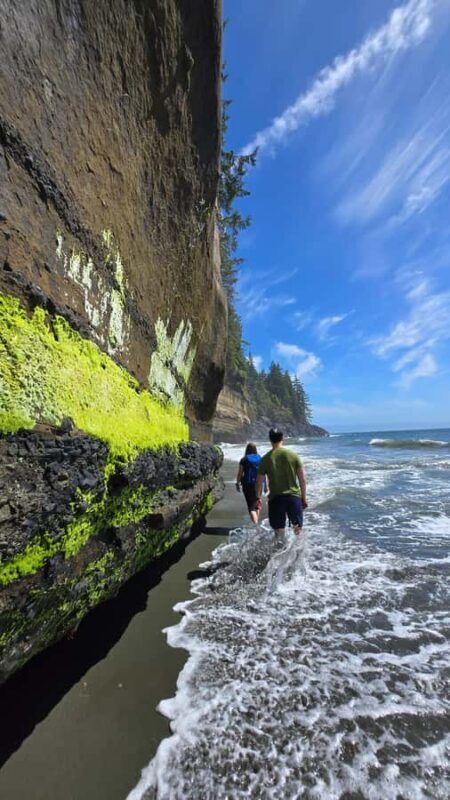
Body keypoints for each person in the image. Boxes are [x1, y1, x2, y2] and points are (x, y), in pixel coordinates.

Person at [255, 428, 307, 537]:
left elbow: (258, 481)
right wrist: (304, 498)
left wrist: (257, 498)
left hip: (276, 499)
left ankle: (279, 552)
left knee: (279, 533)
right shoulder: (293, 455)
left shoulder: (265, 459)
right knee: (298, 531)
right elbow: (302, 479)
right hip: (293, 497)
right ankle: (299, 553)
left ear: (270, 439)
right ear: (282, 438)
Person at [236, 443, 263, 524]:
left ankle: (255, 524)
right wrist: (266, 485)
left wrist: (237, 483)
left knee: (251, 506)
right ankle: (256, 522)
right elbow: (263, 473)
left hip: (247, 485)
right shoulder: (260, 458)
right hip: (259, 483)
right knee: (257, 503)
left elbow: (240, 473)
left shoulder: (244, 459)